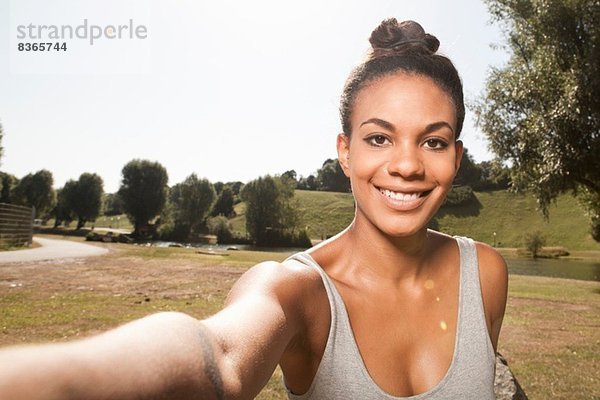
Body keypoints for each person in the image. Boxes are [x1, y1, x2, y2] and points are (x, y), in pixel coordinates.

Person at [0, 18, 508, 399]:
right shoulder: (298, 290)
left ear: (457, 158)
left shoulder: (484, 274)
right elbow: (216, 355)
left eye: (434, 142)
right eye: (379, 138)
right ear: (345, 151)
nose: (406, 165)